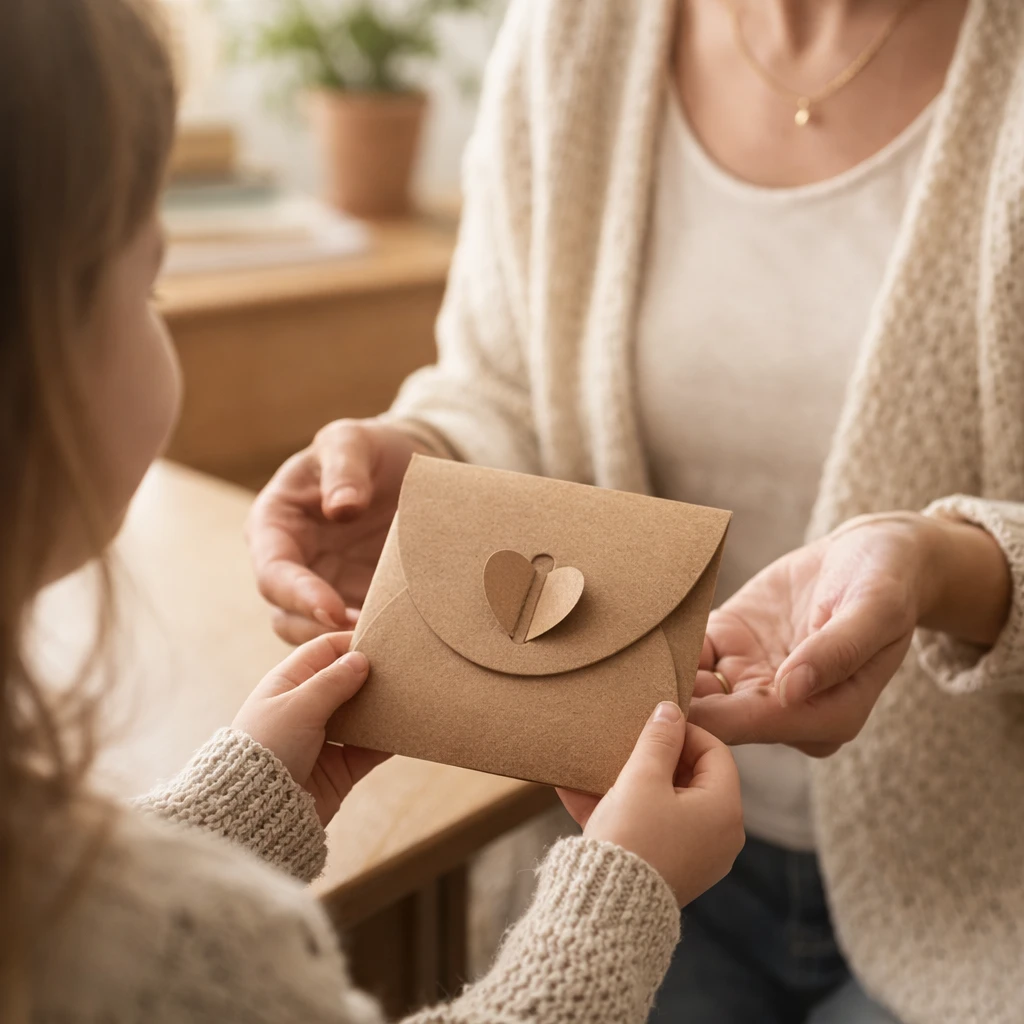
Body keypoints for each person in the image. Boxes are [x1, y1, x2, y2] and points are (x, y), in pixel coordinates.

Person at [248, 1, 1024, 1021]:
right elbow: (501, 381)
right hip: (609, 841)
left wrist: (947, 566)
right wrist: (428, 459)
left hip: (990, 882)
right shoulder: (572, 34)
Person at [1, 1, 746, 1021]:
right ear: (37, 371)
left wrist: (232, 812)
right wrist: (619, 896)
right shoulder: (196, 931)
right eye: (150, 289)